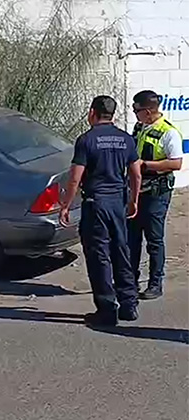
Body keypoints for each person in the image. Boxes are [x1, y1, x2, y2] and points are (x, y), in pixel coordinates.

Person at [60, 95, 142, 327]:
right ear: (112, 114)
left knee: (99, 256)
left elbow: (75, 178)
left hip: (96, 204)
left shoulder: (86, 140)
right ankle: (129, 304)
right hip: (118, 202)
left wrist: (65, 205)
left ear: (92, 112)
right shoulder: (126, 139)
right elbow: (136, 174)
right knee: (121, 252)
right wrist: (134, 201)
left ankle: (106, 309)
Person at [127, 90, 184, 300]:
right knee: (131, 238)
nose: (134, 114)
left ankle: (155, 283)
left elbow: (176, 163)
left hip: (156, 193)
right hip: (135, 190)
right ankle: (130, 280)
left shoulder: (168, 133)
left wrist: (145, 165)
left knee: (154, 240)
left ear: (149, 111)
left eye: (137, 110)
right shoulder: (140, 127)